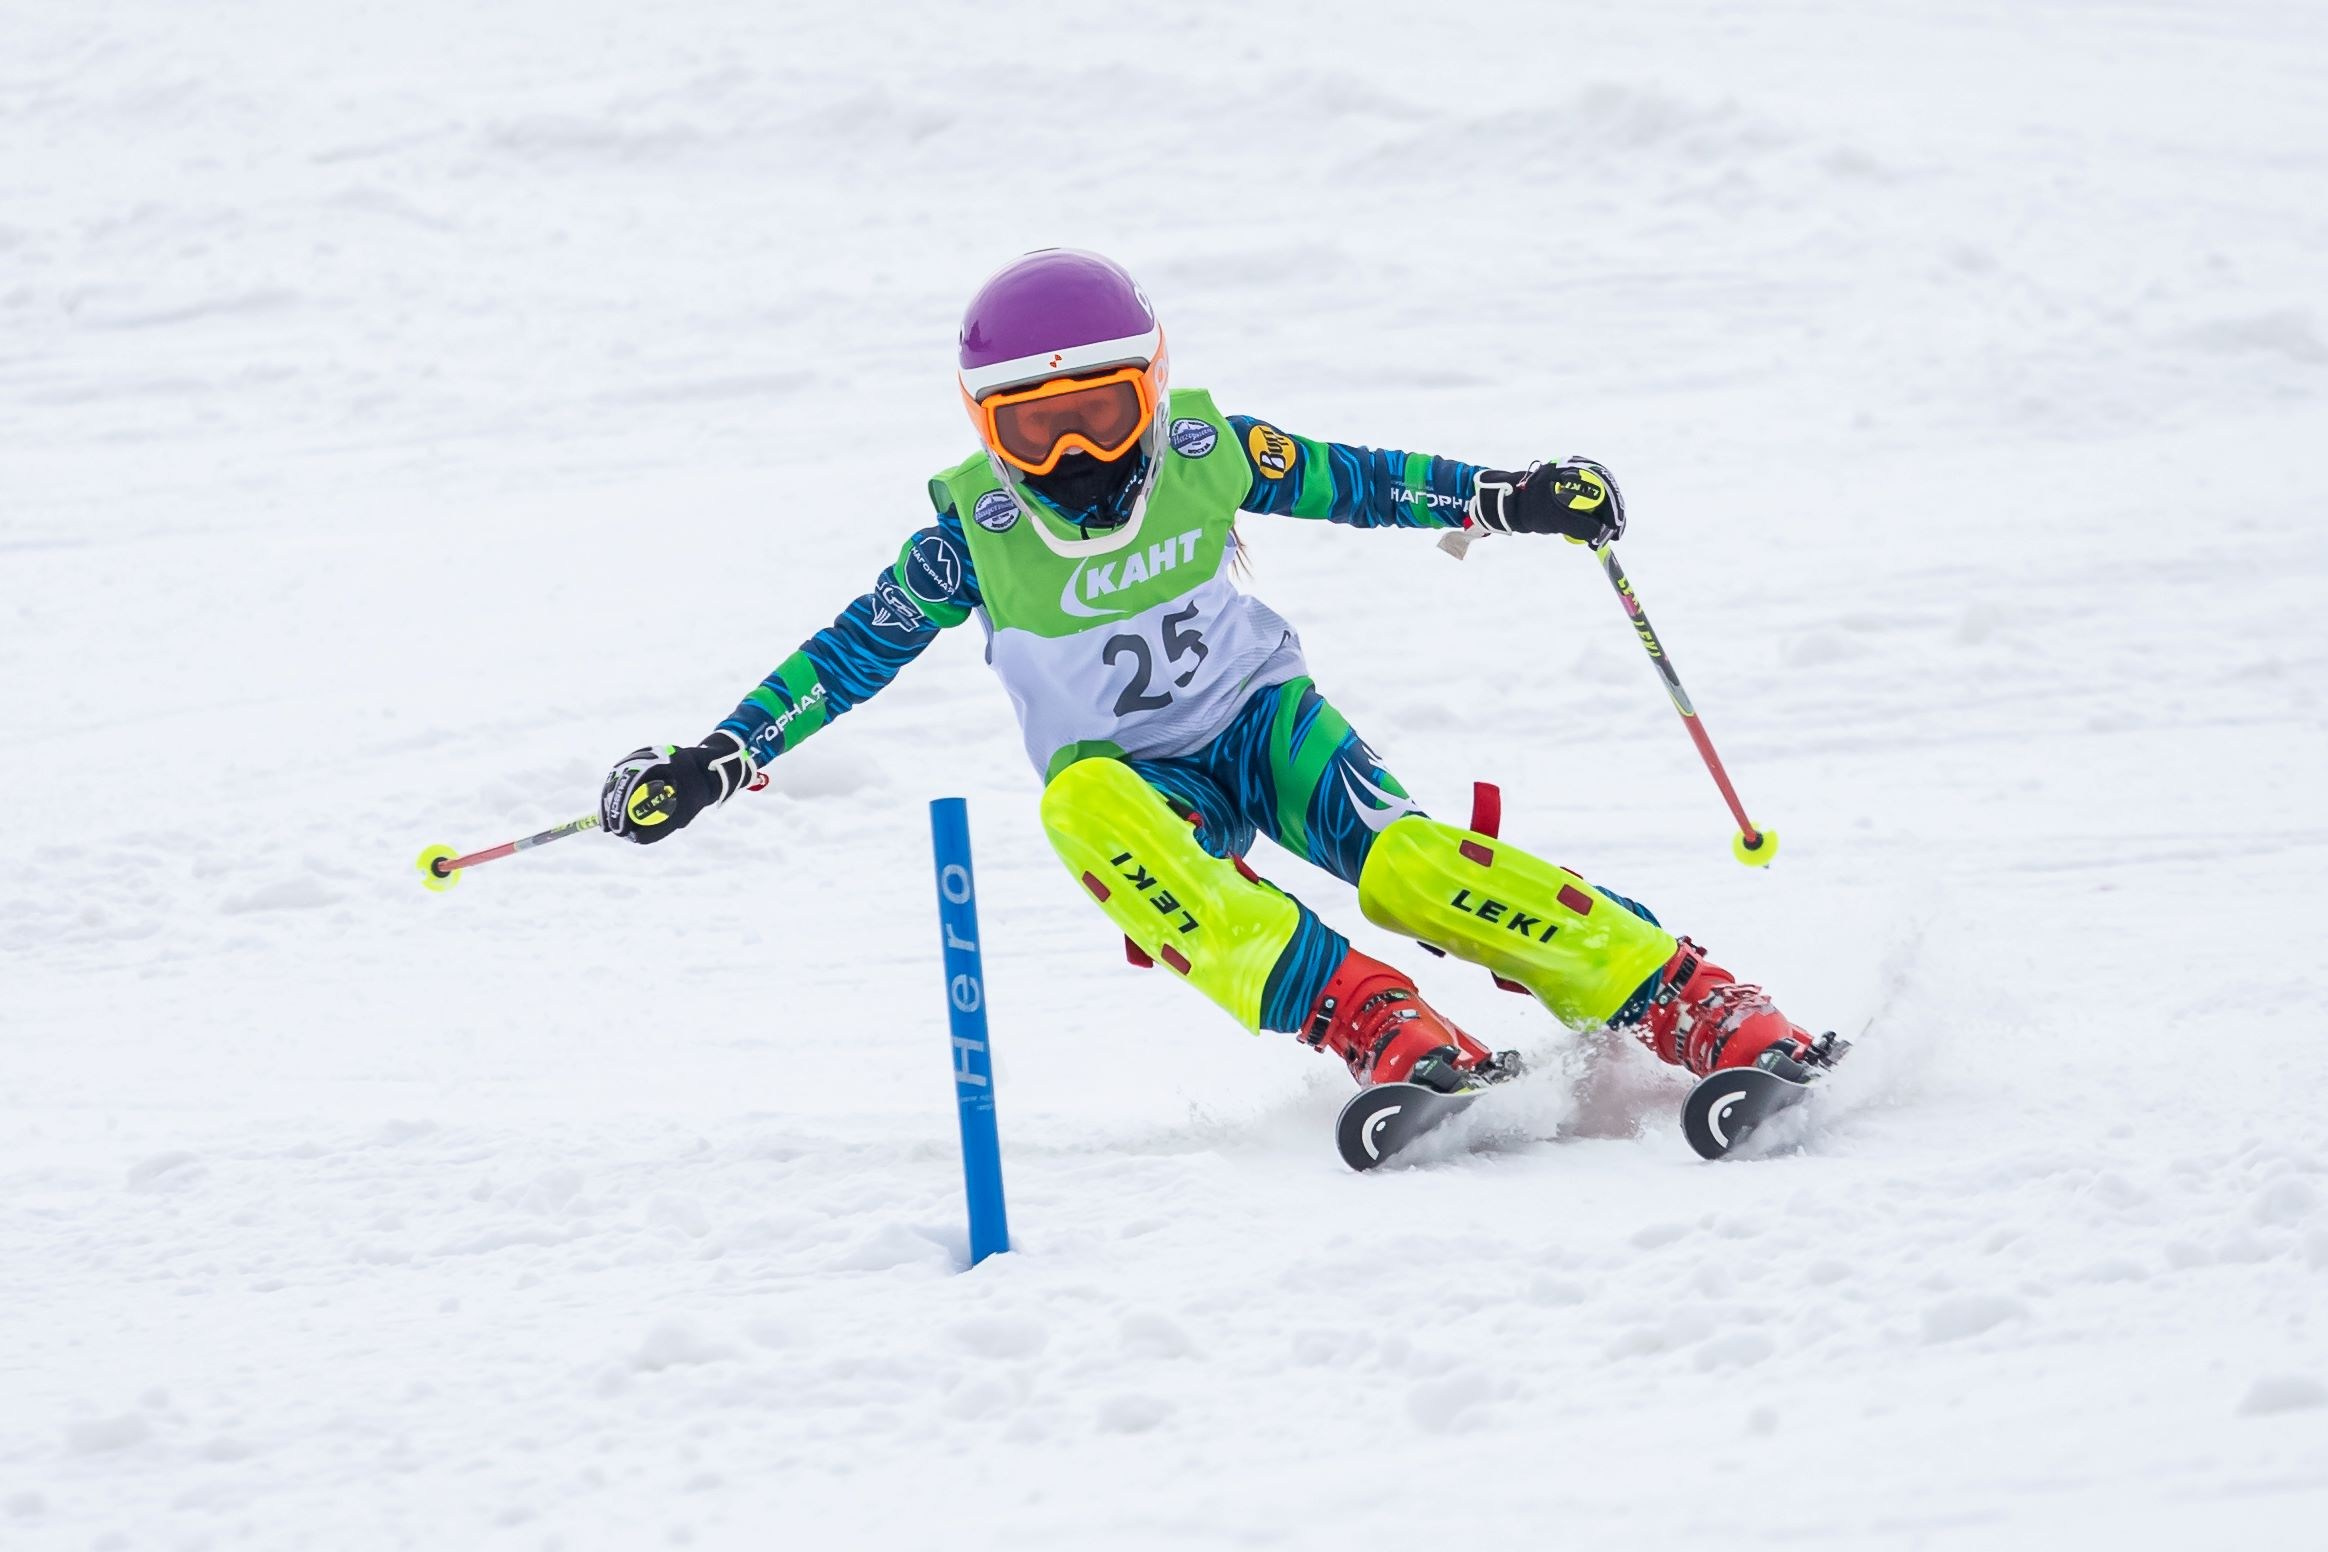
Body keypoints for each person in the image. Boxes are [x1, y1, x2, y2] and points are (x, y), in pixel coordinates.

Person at [601, 248, 1826, 1092]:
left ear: (1155, 387)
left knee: (1404, 864)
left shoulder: (1208, 454)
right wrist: (723, 756)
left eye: (1105, 413)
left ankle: (1683, 994)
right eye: (1035, 428)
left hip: (1262, 723)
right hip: (1142, 784)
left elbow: (1366, 481)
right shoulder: (971, 539)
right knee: (1078, 806)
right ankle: (1372, 1019)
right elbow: (846, 655)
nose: (1077, 451)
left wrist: (1505, 498)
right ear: (987, 427)